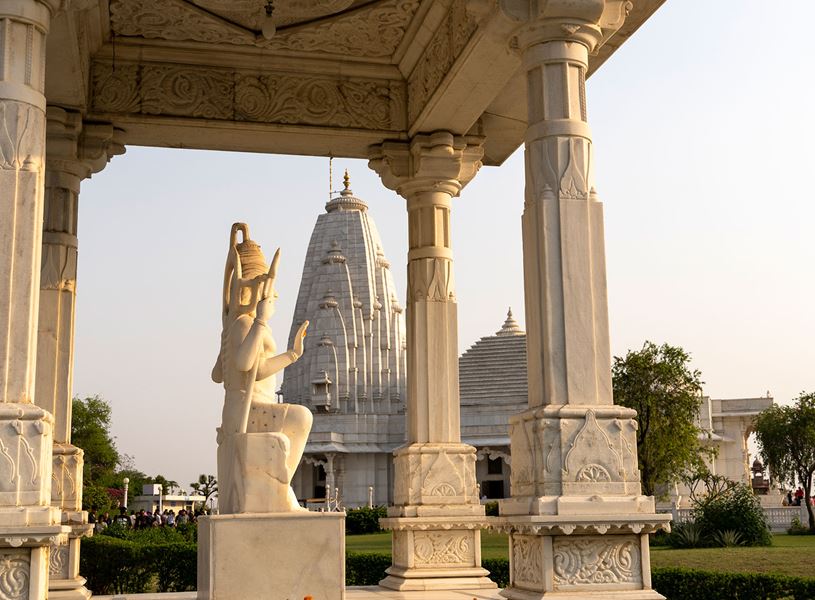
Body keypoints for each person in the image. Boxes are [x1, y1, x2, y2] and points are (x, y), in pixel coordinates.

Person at [211, 223, 312, 513]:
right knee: (301, 418)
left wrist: (290, 353)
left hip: (241, 408)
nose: (274, 297)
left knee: (298, 420)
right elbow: (245, 365)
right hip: (249, 409)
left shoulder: (233, 326)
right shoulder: (246, 323)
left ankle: (279, 488)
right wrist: (263, 323)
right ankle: (282, 488)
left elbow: (219, 374)